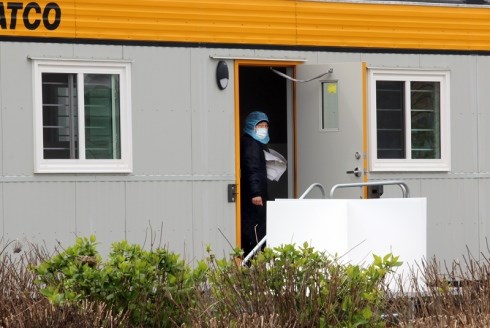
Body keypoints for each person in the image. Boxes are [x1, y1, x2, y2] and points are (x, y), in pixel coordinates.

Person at [240, 111, 270, 257]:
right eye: (260, 125)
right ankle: (251, 263)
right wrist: (255, 193)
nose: (264, 128)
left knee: (257, 228)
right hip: (254, 197)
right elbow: (251, 169)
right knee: (254, 230)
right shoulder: (251, 144)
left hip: (256, 194)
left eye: (266, 125)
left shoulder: (254, 143)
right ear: (252, 126)